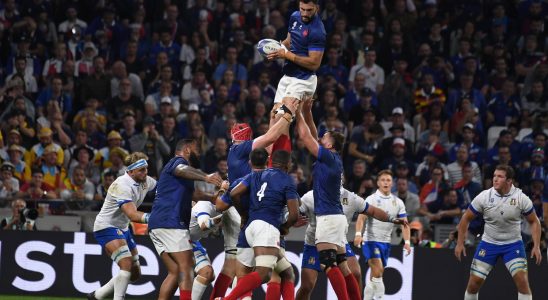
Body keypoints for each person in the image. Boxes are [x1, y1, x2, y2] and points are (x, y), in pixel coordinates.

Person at [296, 182, 406, 300]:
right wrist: (291, 220)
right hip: (314, 244)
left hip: (339, 242)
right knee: (307, 286)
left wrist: (391, 219)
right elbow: (294, 212)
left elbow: (373, 211)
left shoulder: (350, 198)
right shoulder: (311, 196)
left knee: (355, 273)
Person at [217, 150, 299, 300]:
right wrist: (285, 227)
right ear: (288, 164)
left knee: (287, 273)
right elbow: (294, 215)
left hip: (249, 229)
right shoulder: (287, 180)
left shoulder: (255, 175)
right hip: (267, 228)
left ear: (271, 161)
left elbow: (234, 194)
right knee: (262, 274)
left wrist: (243, 214)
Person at [147, 139, 223, 300]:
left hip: (157, 223)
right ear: (187, 149)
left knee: (175, 272)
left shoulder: (183, 176)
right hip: (171, 222)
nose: (200, 152)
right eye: (197, 148)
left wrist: (212, 198)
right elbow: (181, 169)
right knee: (186, 267)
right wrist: (206, 177)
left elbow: (194, 195)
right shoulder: (178, 162)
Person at [296, 99, 354, 300]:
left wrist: (295, 113)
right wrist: (307, 110)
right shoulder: (331, 158)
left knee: (328, 264)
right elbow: (312, 133)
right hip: (336, 217)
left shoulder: (329, 157)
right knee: (343, 266)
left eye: (325, 137)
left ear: (331, 144)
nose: (321, 138)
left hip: (328, 219)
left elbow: (305, 135)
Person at [455, 165, 542, 300]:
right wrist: (460, 243)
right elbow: (465, 218)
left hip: (513, 245)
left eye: (500, 176)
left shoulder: (521, 198)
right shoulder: (484, 196)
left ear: (509, 181)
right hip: (488, 244)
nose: (495, 179)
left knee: (523, 283)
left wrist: (536, 246)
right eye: (494, 176)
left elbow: (534, 221)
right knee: (473, 285)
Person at [88, 152, 157, 300]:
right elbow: (132, 215)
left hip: (123, 228)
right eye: (142, 170)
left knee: (135, 273)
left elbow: (164, 190)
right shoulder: (121, 185)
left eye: (146, 169)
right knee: (126, 264)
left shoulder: (146, 180)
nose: (146, 173)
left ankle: (97, 296)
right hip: (106, 227)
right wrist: (158, 218)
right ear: (131, 171)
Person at [266, 0, 326, 154]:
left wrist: (287, 55)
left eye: (309, 10)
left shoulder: (318, 31)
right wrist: (277, 50)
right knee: (274, 115)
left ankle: (282, 161)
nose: (305, 14)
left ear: (317, 8)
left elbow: (314, 63)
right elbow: (289, 41)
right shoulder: (294, 16)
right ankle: (267, 161)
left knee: (282, 117)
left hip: (304, 79)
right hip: (288, 75)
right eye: (302, 9)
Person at [356, 169, 411, 300]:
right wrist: (358, 233)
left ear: (392, 183)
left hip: (386, 243)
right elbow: (361, 218)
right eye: (383, 180)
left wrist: (407, 242)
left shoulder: (398, 202)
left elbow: (405, 224)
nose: (386, 182)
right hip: (370, 241)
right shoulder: (371, 199)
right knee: (378, 271)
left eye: (388, 180)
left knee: (375, 277)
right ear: (378, 183)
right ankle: (380, 297)